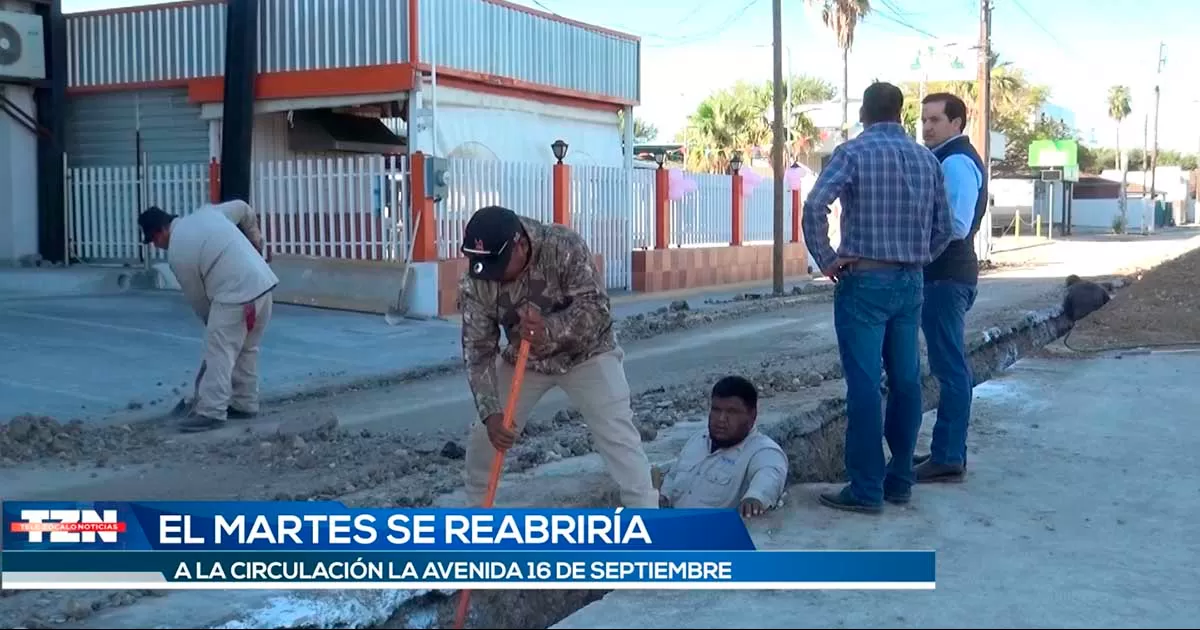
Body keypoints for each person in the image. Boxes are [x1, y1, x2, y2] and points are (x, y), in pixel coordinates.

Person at [801, 81, 954, 513]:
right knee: (907, 382)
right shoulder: (927, 160)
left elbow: (815, 206)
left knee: (865, 386)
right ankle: (900, 479)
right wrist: (919, 256)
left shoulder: (852, 153)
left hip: (864, 281)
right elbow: (946, 227)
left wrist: (827, 259)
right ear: (901, 114)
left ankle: (866, 488)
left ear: (865, 114)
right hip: (911, 283)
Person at [457, 205, 658, 508]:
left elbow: (596, 309)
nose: (492, 277)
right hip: (524, 361)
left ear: (520, 246)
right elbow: (478, 350)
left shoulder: (563, 246)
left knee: (619, 439)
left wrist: (548, 329)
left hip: (587, 354)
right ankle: (476, 524)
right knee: (484, 441)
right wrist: (491, 412)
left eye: (498, 265)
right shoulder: (477, 279)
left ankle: (647, 522)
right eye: (482, 265)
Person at [138, 200, 278, 433]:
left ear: (161, 231)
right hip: (263, 285)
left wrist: (211, 325)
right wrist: (256, 241)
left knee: (218, 351)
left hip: (234, 293)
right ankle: (245, 403)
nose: (155, 246)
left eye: (153, 240)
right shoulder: (209, 213)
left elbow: (198, 297)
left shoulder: (178, 251)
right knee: (246, 348)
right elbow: (244, 208)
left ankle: (211, 411)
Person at [910, 92, 989, 483]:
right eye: (923, 120)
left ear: (957, 123)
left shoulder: (956, 162)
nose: (926, 127)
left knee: (950, 367)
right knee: (947, 365)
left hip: (946, 277)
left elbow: (955, 227)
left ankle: (948, 455)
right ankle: (947, 449)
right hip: (945, 277)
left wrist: (916, 252)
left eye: (935, 120)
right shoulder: (946, 158)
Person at [657, 376, 787, 518]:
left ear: (752, 415)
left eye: (732, 412)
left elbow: (769, 477)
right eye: (716, 410)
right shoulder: (697, 440)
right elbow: (672, 477)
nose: (721, 419)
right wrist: (664, 497)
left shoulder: (763, 451)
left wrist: (755, 499)